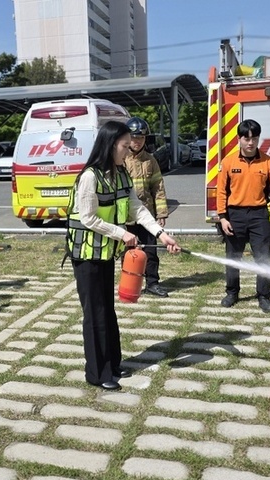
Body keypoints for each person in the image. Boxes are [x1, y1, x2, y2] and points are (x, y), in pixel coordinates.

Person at [66, 121, 180, 391]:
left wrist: (161, 234)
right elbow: (88, 217)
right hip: (86, 255)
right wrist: (122, 234)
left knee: (107, 310)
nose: (128, 149)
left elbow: (137, 208)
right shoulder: (90, 176)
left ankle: (113, 364)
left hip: (105, 253)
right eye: (124, 145)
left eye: (130, 145)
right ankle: (97, 373)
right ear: (110, 144)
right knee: (94, 313)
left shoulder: (120, 174)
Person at [215, 119, 270, 313]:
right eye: (246, 139)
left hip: (259, 216)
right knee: (233, 257)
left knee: (263, 258)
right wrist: (222, 217)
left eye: (254, 138)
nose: (250, 143)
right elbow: (221, 191)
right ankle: (232, 293)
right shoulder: (228, 162)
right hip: (234, 215)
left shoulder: (268, 162)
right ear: (239, 139)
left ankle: (263, 296)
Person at [123, 117, 170, 298]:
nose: (137, 142)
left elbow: (158, 188)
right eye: (134, 138)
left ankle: (152, 283)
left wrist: (161, 213)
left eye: (141, 138)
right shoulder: (121, 159)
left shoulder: (150, 161)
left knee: (151, 251)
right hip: (126, 216)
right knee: (129, 253)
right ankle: (130, 284)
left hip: (147, 215)